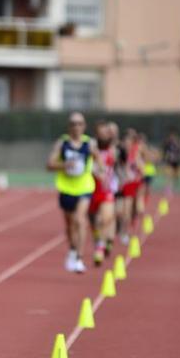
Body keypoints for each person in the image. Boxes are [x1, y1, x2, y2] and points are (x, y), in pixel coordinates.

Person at [47, 112, 103, 274]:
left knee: (80, 220)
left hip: (85, 187)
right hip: (66, 188)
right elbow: (49, 164)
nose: (76, 127)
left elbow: (99, 162)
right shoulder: (62, 143)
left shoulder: (90, 144)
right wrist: (64, 165)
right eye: (73, 124)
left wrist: (100, 170)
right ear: (69, 127)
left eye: (79, 124)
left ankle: (79, 257)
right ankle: (72, 250)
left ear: (84, 126)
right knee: (70, 225)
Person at [87, 120, 120, 266]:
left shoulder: (113, 149)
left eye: (107, 132)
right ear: (97, 133)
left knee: (105, 218)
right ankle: (99, 239)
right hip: (89, 188)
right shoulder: (90, 147)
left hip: (106, 189)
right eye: (101, 132)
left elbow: (113, 161)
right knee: (93, 220)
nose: (104, 134)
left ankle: (100, 247)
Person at [162, 128, 180, 195]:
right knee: (169, 174)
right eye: (171, 136)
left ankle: (175, 185)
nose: (172, 137)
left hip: (177, 161)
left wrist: (179, 144)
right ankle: (168, 188)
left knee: (176, 175)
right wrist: (165, 158)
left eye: (173, 136)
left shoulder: (179, 142)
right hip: (170, 161)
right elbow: (164, 151)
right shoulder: (167, 143)